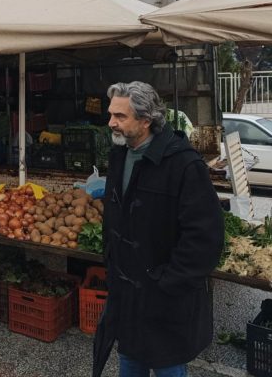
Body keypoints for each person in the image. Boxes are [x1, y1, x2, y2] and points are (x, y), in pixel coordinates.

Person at [94, 81, 224, 377]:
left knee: (168, 367)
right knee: (129, 362)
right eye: (111, 114)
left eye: (120, 116)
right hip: (127, 295)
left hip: (164, 301)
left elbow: (206, 237)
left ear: (146, 120)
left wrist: (168, 282)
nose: (111, 122)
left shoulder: (184, 164)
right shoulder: (120, 156)